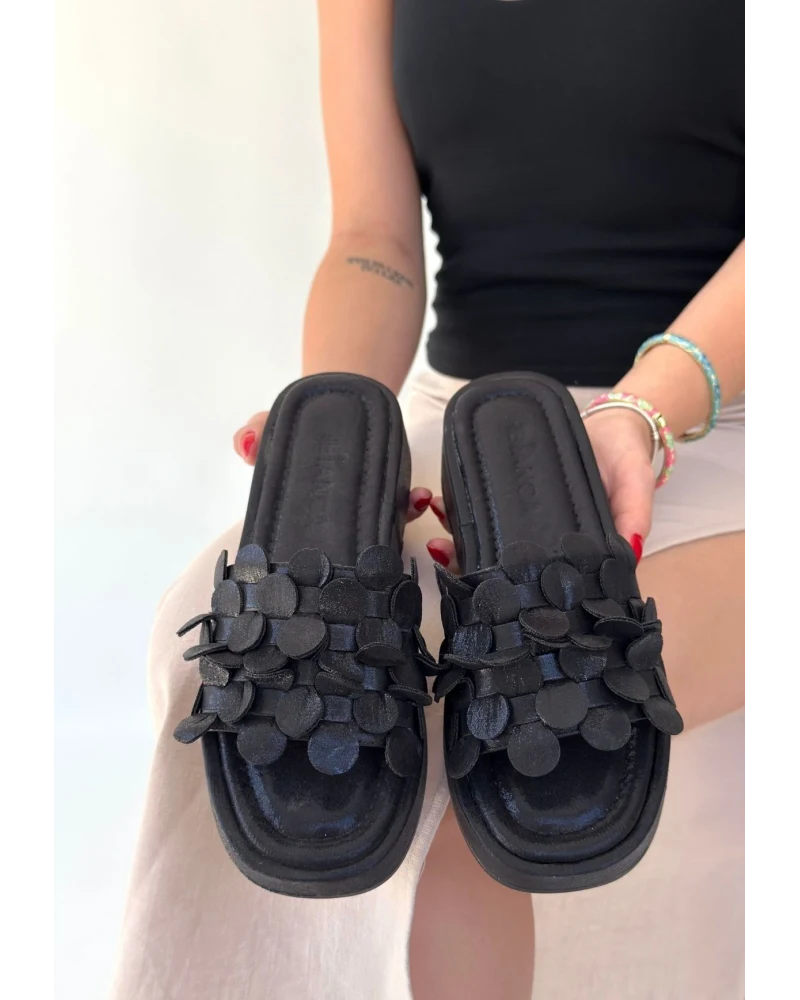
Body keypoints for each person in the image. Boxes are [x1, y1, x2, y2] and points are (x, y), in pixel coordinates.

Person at [111, 2, 749, 997]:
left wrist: (644, 409)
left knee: (527, 726)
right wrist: (338, 432)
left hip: (730, 412)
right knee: (219, 662)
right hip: (468, 423)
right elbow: (374, 239)